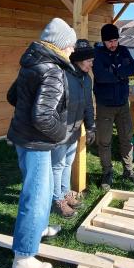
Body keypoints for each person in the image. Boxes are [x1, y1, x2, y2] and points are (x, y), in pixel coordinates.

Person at [6, 17, 76, 268]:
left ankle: (39, 228)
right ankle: (23, 257)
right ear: (60, 45)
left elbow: (12, 96)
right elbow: (43, 117)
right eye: (69, 46)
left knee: (43, 188)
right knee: (35, 195)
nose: (72, 51)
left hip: (24, 137)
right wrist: (62, 135)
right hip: (36, 141)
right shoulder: (52, 69)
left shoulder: (31, 62)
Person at [93, 23, 134, 189]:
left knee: (127, 138)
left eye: (115, 40)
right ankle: (107, 172)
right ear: (103, 41)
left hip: (123, 104)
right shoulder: (98, 54)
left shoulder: (123, 51)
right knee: (104, 140)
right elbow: (101, 77)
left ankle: (128, 170)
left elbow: (132, 69)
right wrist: (120, 73)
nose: (113, 44)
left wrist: (115, 72)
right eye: (109, 41)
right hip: (105, 104)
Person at [50, 39, 96, 218]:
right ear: (79, 59)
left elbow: (88, 105)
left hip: (75, 128)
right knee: (57, 165)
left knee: (68, 163)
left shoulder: (87, 78)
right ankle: (57, 199)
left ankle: (66, 192)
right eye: (89, 60)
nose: (92, 64)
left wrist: (91, 126)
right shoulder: (63, 75)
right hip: (61, 129)